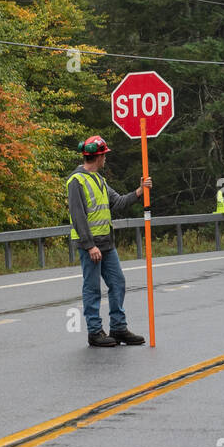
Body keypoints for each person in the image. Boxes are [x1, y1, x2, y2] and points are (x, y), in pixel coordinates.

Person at [67, 135, 151, 347]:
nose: (106, 159)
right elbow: (78, 217)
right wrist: (90, 245)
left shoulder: (100, 180)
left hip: (107, 244)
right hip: (92, 247)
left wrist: (140, 191)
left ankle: (118, 328)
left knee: (117, 283)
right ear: (98, 156)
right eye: (105, 155)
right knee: (92, 288)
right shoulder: (76, 181)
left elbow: (119, 202)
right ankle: (95, 332)